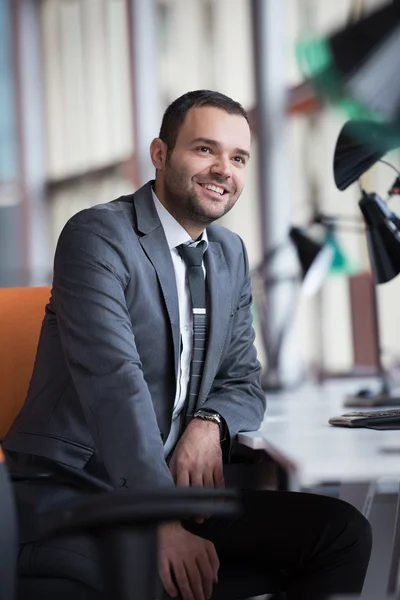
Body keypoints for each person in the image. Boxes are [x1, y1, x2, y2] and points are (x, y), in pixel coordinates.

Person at [4, 90, 372, 600]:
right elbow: (116, 386)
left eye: (238, 157)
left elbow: (243, 378)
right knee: (145, 579)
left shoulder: (228, 253)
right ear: (160, 154)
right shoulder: (97, 236)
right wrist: (159, 522)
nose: (224, 168)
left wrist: (210, 422)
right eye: (205, 149)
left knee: (340, 533)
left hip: (175, 494)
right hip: (76, 492)